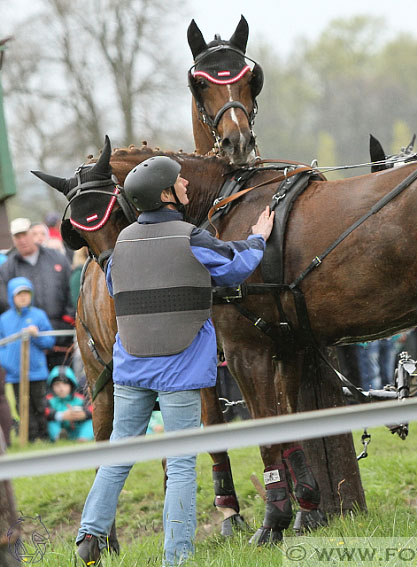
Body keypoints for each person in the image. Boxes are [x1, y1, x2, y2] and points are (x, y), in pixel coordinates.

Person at [75, 155, 274, 566]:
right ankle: (177, 556)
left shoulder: (121, 244)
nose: (186, 184)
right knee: (182, 463)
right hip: (180, 368)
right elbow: (235, 266)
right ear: (165, 194)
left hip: (131, 367)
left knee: (118, 453)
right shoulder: (191, 237)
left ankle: (88, 534)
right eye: (179, 181)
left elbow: (114, 284)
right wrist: (258, 238)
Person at [0, 218, 74, 370]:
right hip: (27, 342)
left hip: (61, 336)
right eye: (17, 237)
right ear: (13, 239)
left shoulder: (57, 258)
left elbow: (71, 290)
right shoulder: (8, 267)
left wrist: (68, 319)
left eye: (24, 235)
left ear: (31, 234)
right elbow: (5, 302)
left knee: (62, 380)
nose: (22, 240)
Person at [0, 277, 55, 443]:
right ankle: (29, 437)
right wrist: (8, 363)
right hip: (15, 374)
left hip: (37, 371)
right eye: (19, 294)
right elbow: (2, 345)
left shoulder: (39, 315)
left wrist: (37, 336)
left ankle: (44, 436)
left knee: (40, 404)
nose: (23, 297)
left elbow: (50, 341)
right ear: (12, 296)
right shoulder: (4, 319)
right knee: (22, 406)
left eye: (26, 293)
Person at [44, 365, 93, 442]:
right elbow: (44, 412)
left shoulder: (80, 399)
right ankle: (58, 437)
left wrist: (84, 414)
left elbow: (92, 409)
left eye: (65, 384)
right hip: (61, 428)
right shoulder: (49, 399)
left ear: (71, 385)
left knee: (90, 422)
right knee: (52, 423)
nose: (61, 388)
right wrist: (61, 416)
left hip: (77, 429)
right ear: (51, 386)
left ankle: (83, 438)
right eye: (57, 384)